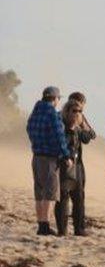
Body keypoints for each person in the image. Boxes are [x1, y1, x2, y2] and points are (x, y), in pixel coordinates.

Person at [25, 86, 71, 236]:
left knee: (39, 192)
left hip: (36, 156)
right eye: (59, 98)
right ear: (55, 98)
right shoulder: (52, 113)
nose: (58, 101)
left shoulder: (36, 111)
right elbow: (59, 136)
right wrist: (65, 155)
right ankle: (45, 225)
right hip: (49, 158)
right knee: (50, 193)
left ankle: (41, 224)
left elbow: (28, 129)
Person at [54, 100, 91, 236]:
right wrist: (65, 157)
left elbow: (89, 137)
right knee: (63, 198)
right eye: (74, 111)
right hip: (64, 164)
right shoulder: (61, 125)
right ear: (67, 111)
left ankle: (79, 229)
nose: (77, 113)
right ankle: (62, 230)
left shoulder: (77, 127)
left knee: (79, 198)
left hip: (78, 165)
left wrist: (83, 125)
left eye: (80, 111)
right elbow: (60, 144)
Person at [65, 91, 95, 236]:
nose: (79, 110)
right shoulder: (72, 117)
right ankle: (78, 228)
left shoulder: (80, 117)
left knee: (74, 197)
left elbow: (91, 135)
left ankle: (69, 229)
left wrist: (84, 125)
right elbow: (86, 137)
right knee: (76, 197)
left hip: (75, 161)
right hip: (71, 161)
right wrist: (82, 124)